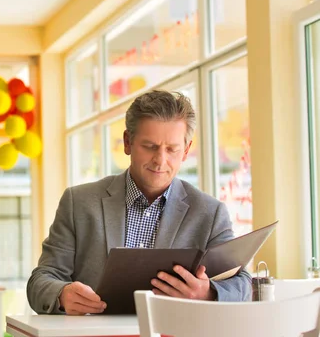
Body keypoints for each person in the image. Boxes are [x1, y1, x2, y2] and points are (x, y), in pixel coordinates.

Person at [27, 90, 251, 315]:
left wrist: (208, 293)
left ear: (186, 151)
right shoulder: (79, 203)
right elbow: (41, 279)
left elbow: (242, 283)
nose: (160, 160)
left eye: (172, 149)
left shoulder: (210, 213)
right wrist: (61, 294)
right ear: (127, 142)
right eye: (150, 146)